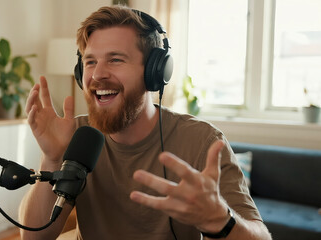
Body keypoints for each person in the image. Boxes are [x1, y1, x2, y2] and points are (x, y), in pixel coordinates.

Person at [19, 5, 271, 240]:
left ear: (154, 72)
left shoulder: (202, 141)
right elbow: (34, 236)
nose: (97, 74)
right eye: (90, 61)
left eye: (115, 59)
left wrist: (220, 219)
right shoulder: (77, 137)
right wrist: (51, 158)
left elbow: (260, 235)